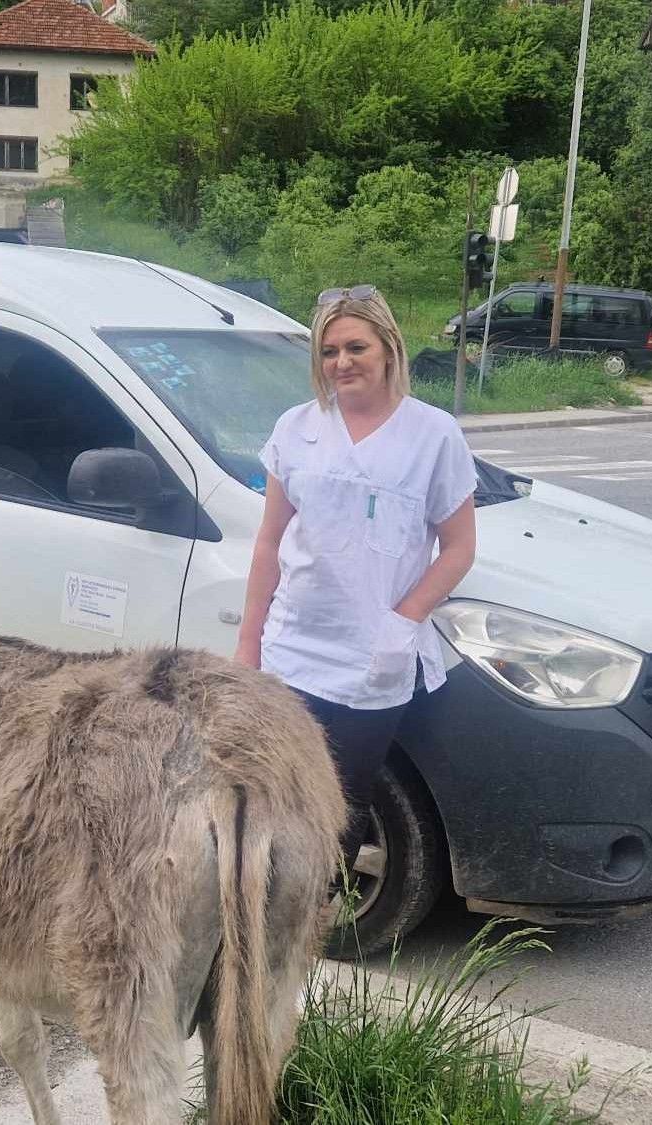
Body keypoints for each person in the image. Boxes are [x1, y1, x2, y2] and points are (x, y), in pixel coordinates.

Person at [234, 285, 478, 867]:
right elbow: (269, 542)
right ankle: (260, 924)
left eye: (356, 347)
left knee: (342, 809)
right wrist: (249, 643)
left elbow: (459, 547)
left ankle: (313, 928)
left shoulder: (433, 435)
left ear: (388, 349)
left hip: (374, 658)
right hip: (293, 649)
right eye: (328, 351)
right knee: (274, 801)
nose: (341, 362)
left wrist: (404, 620)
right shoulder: (296, 430)